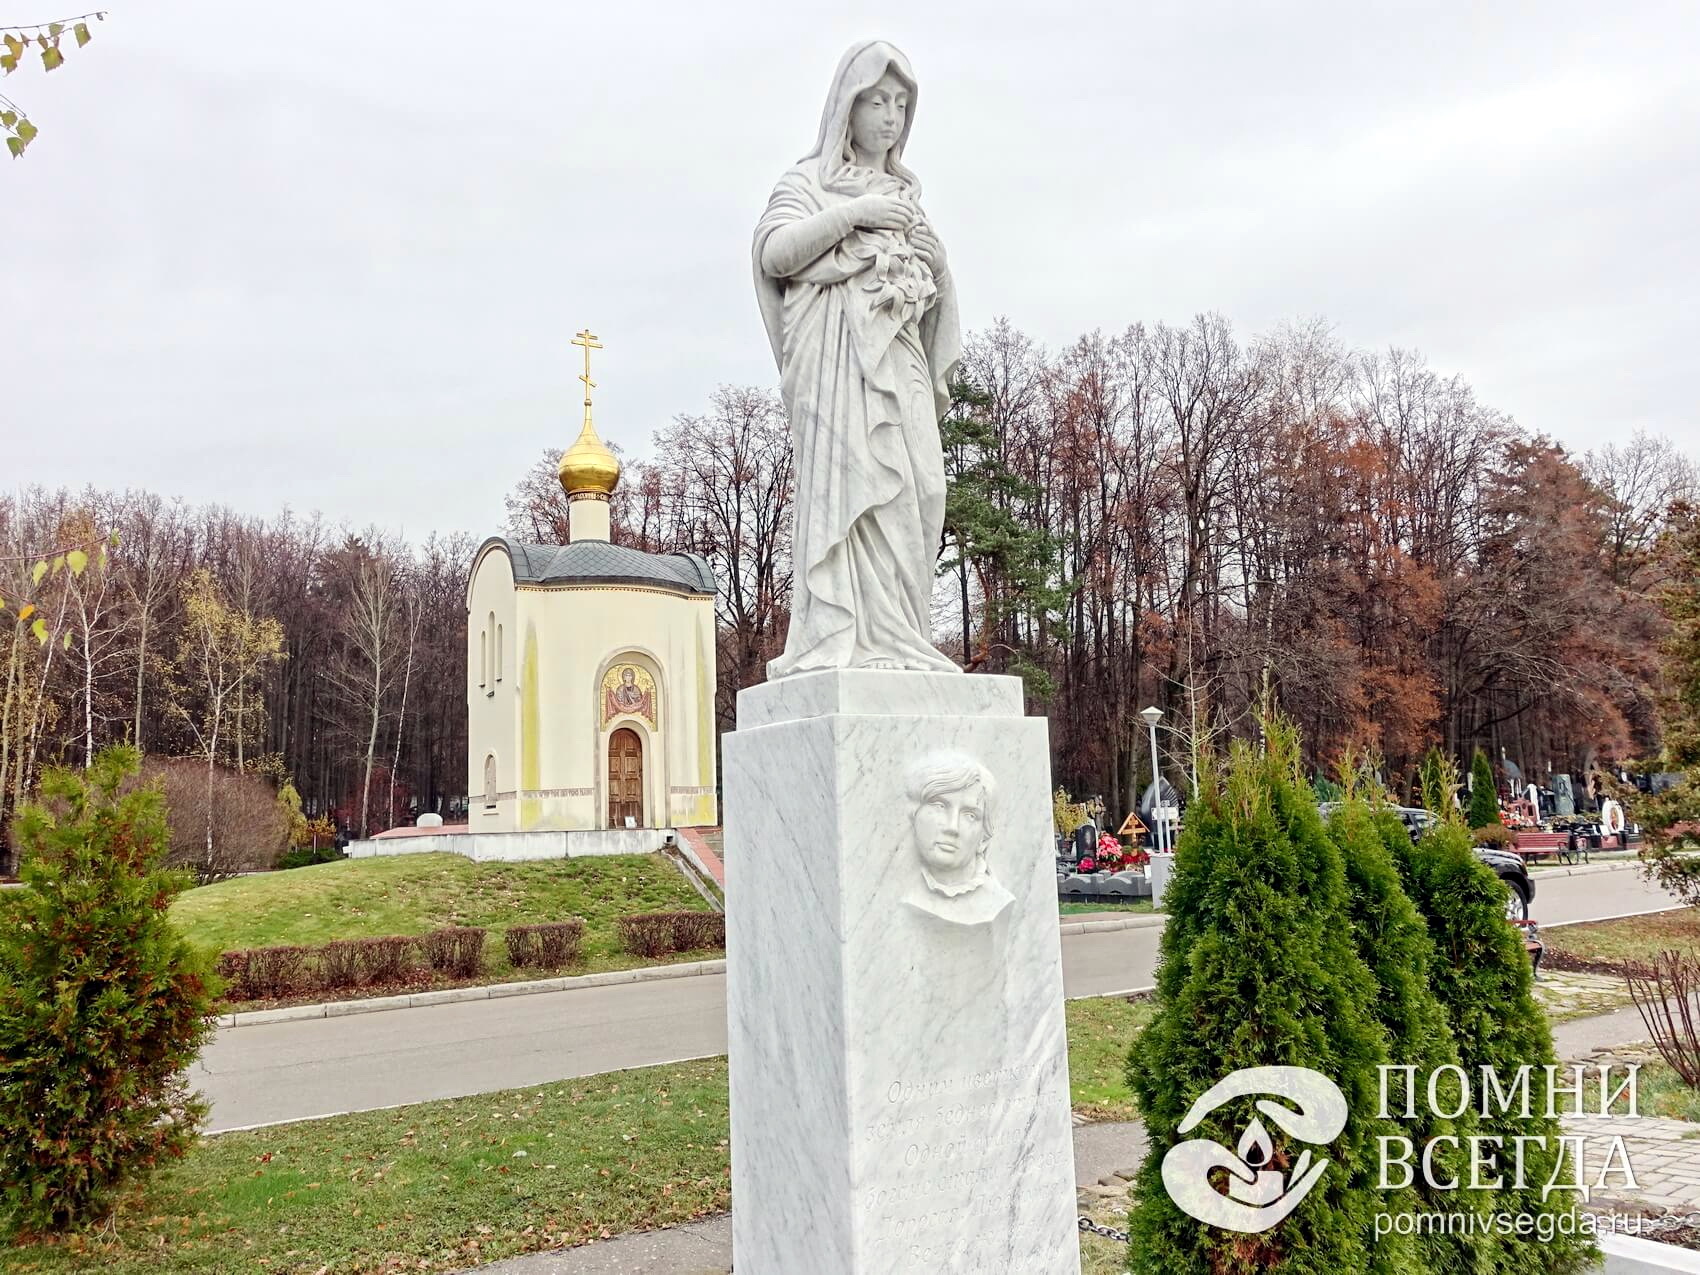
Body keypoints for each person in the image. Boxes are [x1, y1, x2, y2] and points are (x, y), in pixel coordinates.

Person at [753, 40, 962, 677]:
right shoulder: (807, 183)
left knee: (924, 487)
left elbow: (931, 297)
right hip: (839, 369)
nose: (891, 116)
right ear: (849, 104)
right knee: (856, 489)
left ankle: (903, 635)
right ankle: (849, 637)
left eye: (902, 104)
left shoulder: (905, 198)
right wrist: (855, 215)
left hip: (898, 361)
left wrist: (937, 261)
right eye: (878, 100)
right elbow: (776, 254)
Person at [900, 751, 1013, 927]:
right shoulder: (894, 892)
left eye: (970, 815)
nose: (952, 827)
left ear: (983, 838)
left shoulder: (996, 903)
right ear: (914, 815)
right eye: (940, 805)